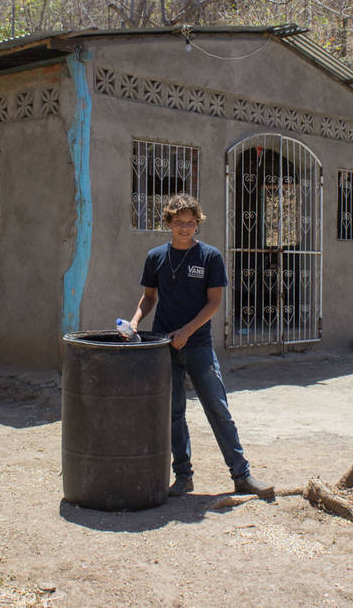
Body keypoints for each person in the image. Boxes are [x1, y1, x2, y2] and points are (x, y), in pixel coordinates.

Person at [129, 193, 274, 499]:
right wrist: (134, 321)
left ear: (198, 224)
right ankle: (183, 477)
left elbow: (214, 304)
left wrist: (185, 331)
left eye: (191, 222)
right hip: (163, 346)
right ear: (169, 222)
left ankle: (242, 475)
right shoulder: (156, 257)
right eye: (179, 222)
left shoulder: (210, 257)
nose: (185, 228)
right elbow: (149, 297)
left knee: (218, 409)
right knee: (173, 413)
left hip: (198, 346)